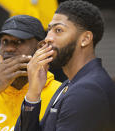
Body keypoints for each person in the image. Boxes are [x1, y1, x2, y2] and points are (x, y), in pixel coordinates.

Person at [14, 1, 115, 131]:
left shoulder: (87, 91)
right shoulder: (70, 83)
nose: (48, 38)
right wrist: (33, 92)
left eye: (58, 30)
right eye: (49, 30)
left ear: (85, 39)